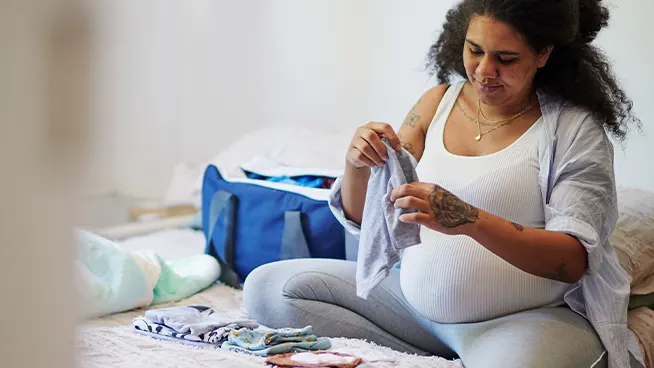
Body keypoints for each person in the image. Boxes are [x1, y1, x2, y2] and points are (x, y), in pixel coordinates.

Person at [243, 0, 643, 367]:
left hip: (520, 320)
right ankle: (444, 350)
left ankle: (489, 350)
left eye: (505, 58)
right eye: (475, 50)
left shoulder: (574, 130)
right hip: (412, 310)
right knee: (268, 287)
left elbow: (570, 261)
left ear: (543, 54)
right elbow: (367, 219)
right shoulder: (437, 102)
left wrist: (467, 218)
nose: (485, 71)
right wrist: (357, 164)